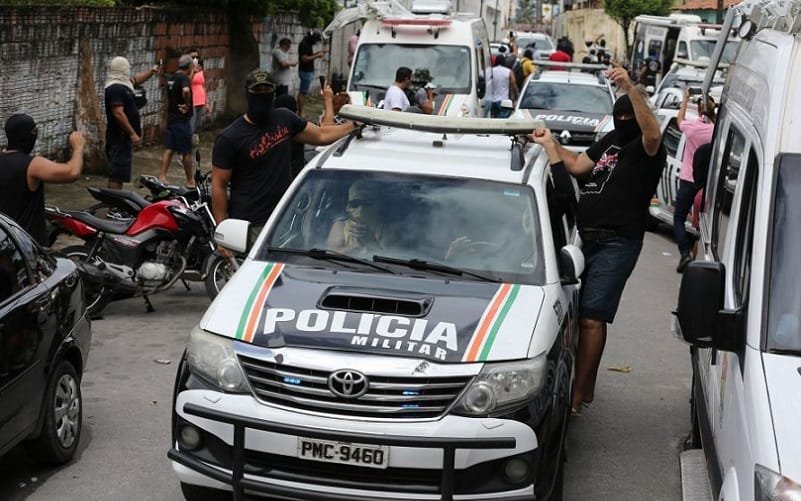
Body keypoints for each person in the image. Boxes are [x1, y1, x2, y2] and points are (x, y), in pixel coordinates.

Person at [531, 64, 665, 415]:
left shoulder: (648, 149)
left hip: (617, 242)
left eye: (629, 114)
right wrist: (549, 144)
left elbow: (652, 133)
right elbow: (576, 164)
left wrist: (631, 87)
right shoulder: (612, 141)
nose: (623, 120)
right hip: (584, 240)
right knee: (579, 318)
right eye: (618, 115)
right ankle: (585, 385)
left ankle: (577, 394)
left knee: (593, 317)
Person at [211, 69, 360, 245]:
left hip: (284, 220)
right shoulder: (230, 137)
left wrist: (355, 125)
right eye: (257, 91)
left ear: (274, 93)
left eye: (267, 91)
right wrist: (222, 231)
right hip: (250, 225)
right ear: (247, 93)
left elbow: (321, 135)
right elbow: (219, 184)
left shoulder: (284, 119)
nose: (262, 95)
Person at [0, 114, 84, 245]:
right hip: (26, 243)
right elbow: (72, 172)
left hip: (4, 240)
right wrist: (78, 148)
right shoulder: (33, 165)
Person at [674, 90, 715, 272]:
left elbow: (679, 120)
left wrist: (685, 99)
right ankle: (695, 258)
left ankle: (685, 253)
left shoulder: (691, 127)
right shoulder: (716, 130)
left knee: (679, 218)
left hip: (687, 180)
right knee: (699, 223)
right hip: (705, 184)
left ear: (698, 111)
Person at [103, 55, 160, 189]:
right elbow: (118, 113)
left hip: (123, 138)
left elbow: (136, 79)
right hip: (119, 137)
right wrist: (132, 133)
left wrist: (151, 71)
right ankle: (114, 206)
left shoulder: (122, 84)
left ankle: (116, 205)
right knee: (117, 174)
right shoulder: (115, 88)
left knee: (120, 173)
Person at [327, 180, 396, 255]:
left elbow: (389, 262)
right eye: (355, 204)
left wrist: (370, 242)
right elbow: (329, 256)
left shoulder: (387, 231)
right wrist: (357, 245)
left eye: (367, 203)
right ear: (348, 207)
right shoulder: (340, 226)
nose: (361, 209)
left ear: (378, 205)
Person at [158, 54, 194, 187]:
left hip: (171, 118)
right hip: (181, 120)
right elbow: (185, 91)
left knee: (169, 148)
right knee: (186, 151)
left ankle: (162, 176)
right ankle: (190, 180)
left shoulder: (172, 78)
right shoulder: (184, 78)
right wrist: (187, 103)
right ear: (189, 66)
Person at [297, 31, 325, 117]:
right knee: (303, 92)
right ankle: (301, 112)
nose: (315, 43)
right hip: (305, 71)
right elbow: (304, 59)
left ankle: (301, 111)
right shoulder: (304, 44)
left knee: (304, 92)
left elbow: (309, 55)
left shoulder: (308, 44)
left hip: (308, 71)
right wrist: (317, 56)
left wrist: (317, 53)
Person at [189, 49, 209, 135]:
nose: (195, 59)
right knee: (191, 124)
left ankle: (193, 143)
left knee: (197, 124)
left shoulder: (201, 71)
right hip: (192, 100)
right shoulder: (188, 71)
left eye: (196, 57)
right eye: (193, 57)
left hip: (200, 100)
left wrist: (207, 102)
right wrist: (193, 71)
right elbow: (188, 81)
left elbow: (203, 87)